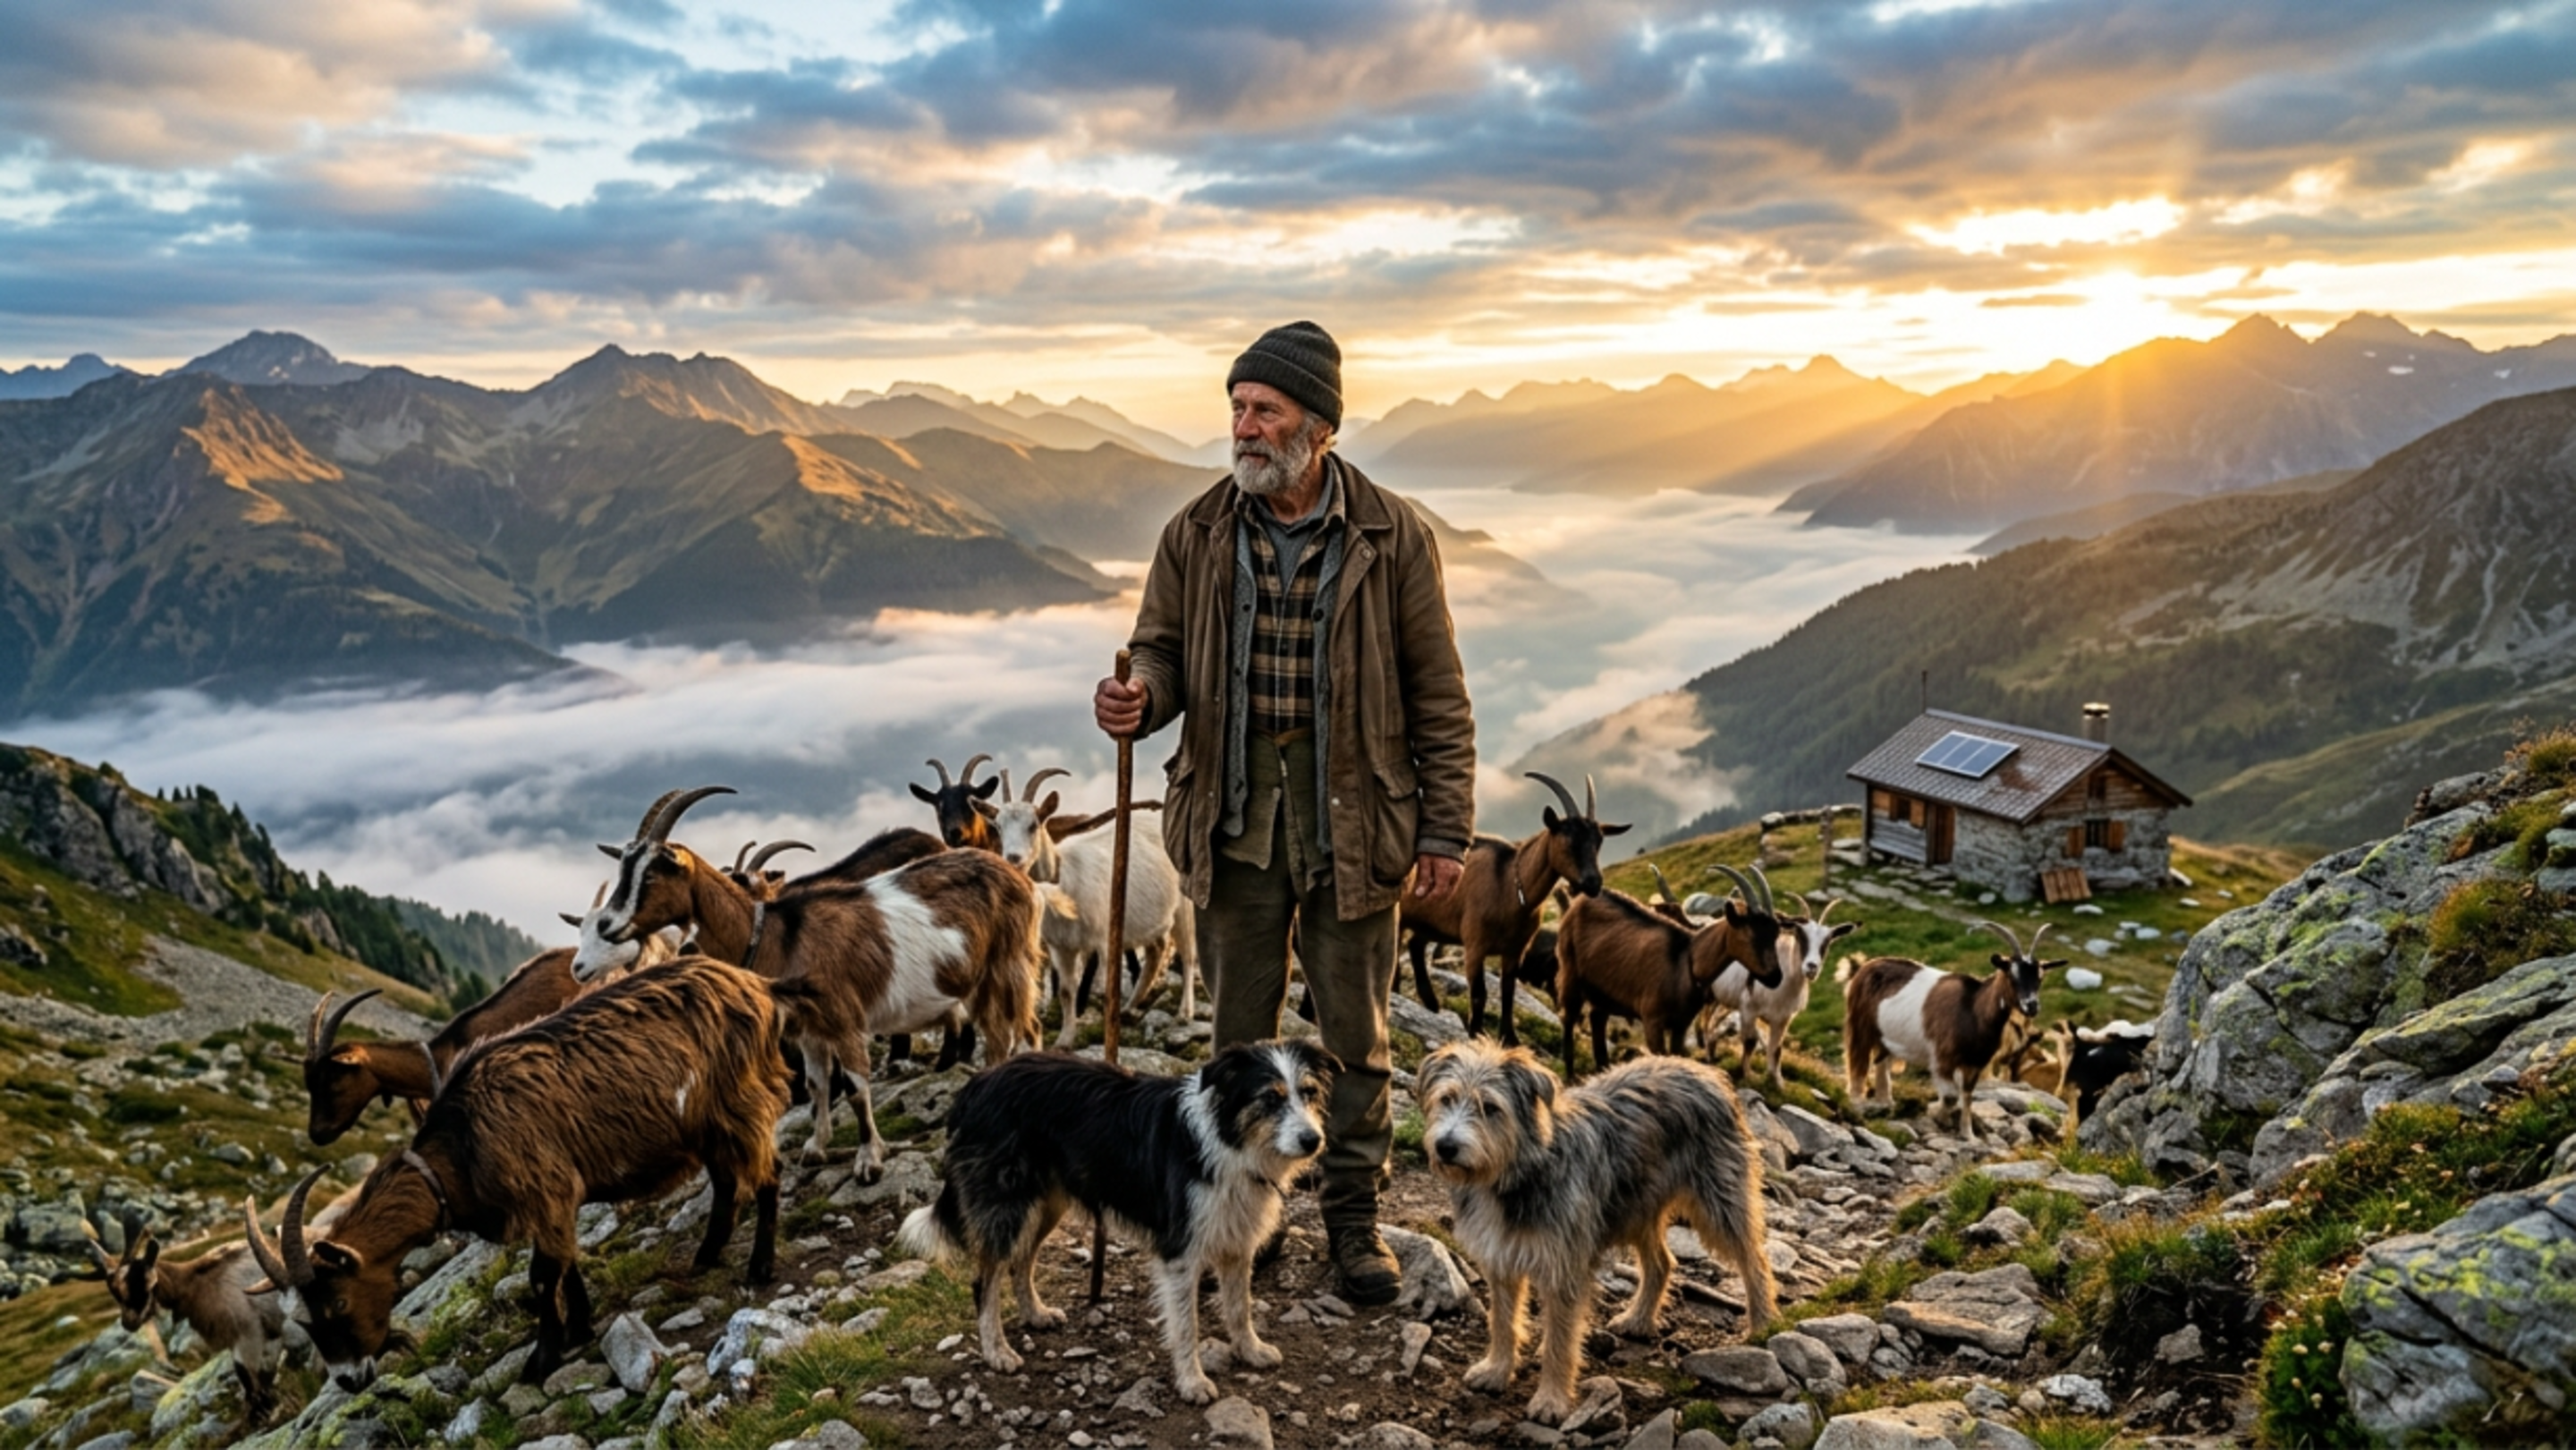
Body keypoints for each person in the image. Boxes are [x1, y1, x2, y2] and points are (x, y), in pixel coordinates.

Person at [1095, 320, 1476, 1305]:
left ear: (1320, 426)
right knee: (1238, 1032)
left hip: (1355, 820)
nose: (1243, 427)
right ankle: (1244, 1215)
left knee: (1355, 1034)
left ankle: (1353, 1222)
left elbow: (1439, 691)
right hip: (1231, 815)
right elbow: (1162, 652)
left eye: (1264, 409)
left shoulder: (1393, 537)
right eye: (1237, 408)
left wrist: (1444, 831)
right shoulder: (1197, 530)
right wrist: (1140, 697)